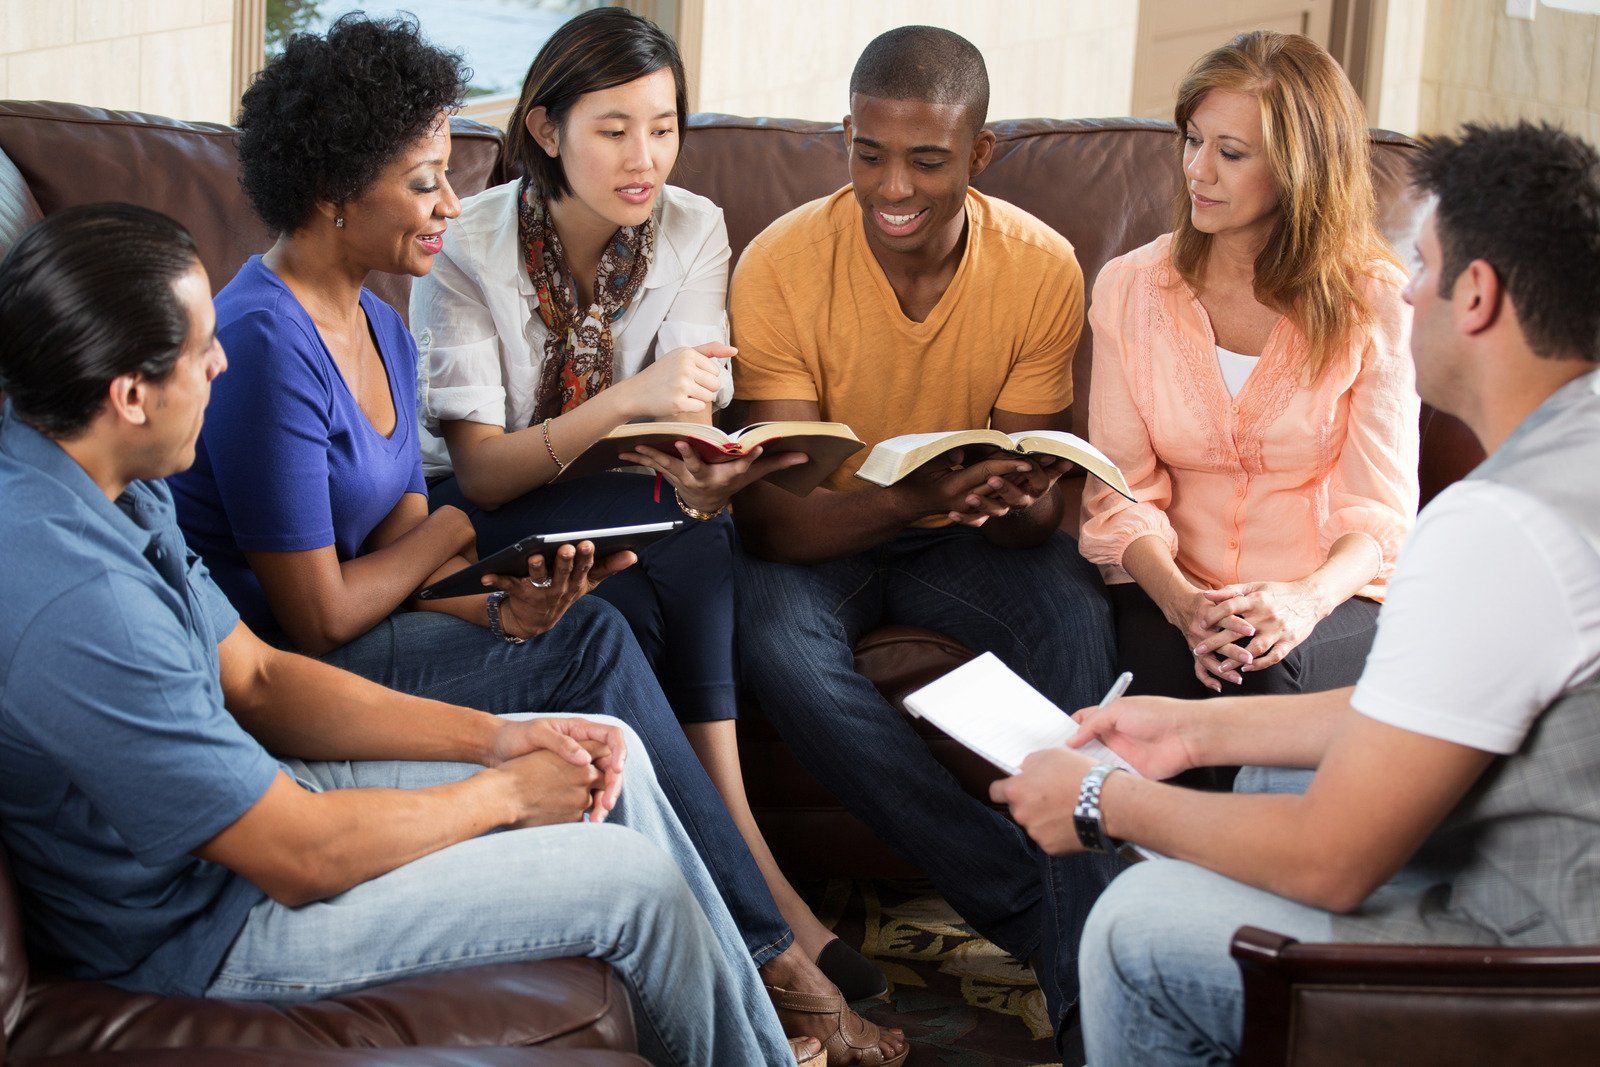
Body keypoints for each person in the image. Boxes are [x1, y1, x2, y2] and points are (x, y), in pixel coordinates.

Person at [168, 15, 890, 1063]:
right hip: (291, 666)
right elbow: (316, 614)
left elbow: (411, 539)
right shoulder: (264, 338)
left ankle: (761, 955)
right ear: (334, 196)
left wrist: (499, 606)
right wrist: (459, 527)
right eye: (423, 182)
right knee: (597, 644)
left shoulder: (372, 313)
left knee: (594, 614)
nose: (450, 202)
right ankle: (774, 955)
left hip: (368, 623)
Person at [0, 202, 806, 1067]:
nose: (222, 361)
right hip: (208, 924)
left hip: (256, 802)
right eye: (202, 352)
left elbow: (262, 680)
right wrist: (506, 794)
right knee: (637, 887)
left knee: (599, 738)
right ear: (129, 395)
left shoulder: (109, 474)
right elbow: (297, 854)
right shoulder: (83, 603)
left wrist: (503, 736)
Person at [990, 121, 1600, 1065]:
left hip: (1538, 958)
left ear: (1479, 296)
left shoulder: (1498, 526)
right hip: (1562, 890)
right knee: (1274, 771)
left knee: (1134, 921)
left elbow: (1334, 860)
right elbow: (1447, 703)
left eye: (1428, 266)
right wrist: (1197, 731)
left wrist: (1101, 801)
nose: (1409, 289)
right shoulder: (1576, 456)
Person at [729, 24, 1121, 1043]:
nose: (890, 186)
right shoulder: (779, 264)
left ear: (979, 155)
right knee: (773, 639)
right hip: (830, 540)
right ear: (846, 140)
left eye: (926, 160)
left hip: (961, 543)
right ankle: (1036, 913)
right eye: (867, 153)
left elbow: (1039, 512)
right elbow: (775, 523)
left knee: (1076, 622)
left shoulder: (1040, 267)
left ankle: (1083, 1009)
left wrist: (1015, 494)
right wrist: (911, 498)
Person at [1079, 32, 1418, 730]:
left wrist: (1301, 600)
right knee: (1152, 692)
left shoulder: (1375, 300)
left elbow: (1378, 514)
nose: (1196, 171)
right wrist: (1182, 603)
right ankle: (1142, 839)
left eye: (1230, 154)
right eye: (1191, 140)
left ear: (1301, 170)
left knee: (1266, 673)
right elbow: (1121, 496)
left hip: (1326, 596)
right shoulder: (1130, 289)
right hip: (1174, 584)